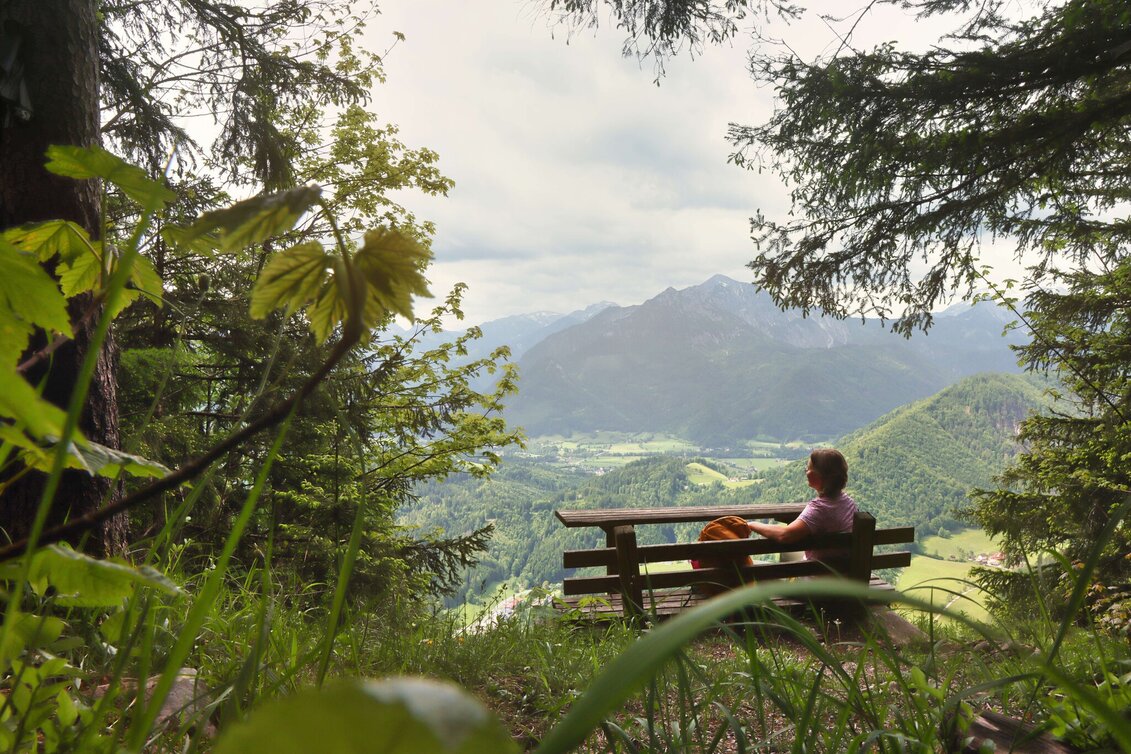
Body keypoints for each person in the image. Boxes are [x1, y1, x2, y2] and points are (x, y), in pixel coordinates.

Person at [747, 448, 857, 564]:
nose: (806, 472)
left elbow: (785, 535)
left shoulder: (819, 508)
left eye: (808, 469)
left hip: (817, 577)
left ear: (818, 475)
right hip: (844, 576)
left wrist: (752, 525)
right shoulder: (850, 504)